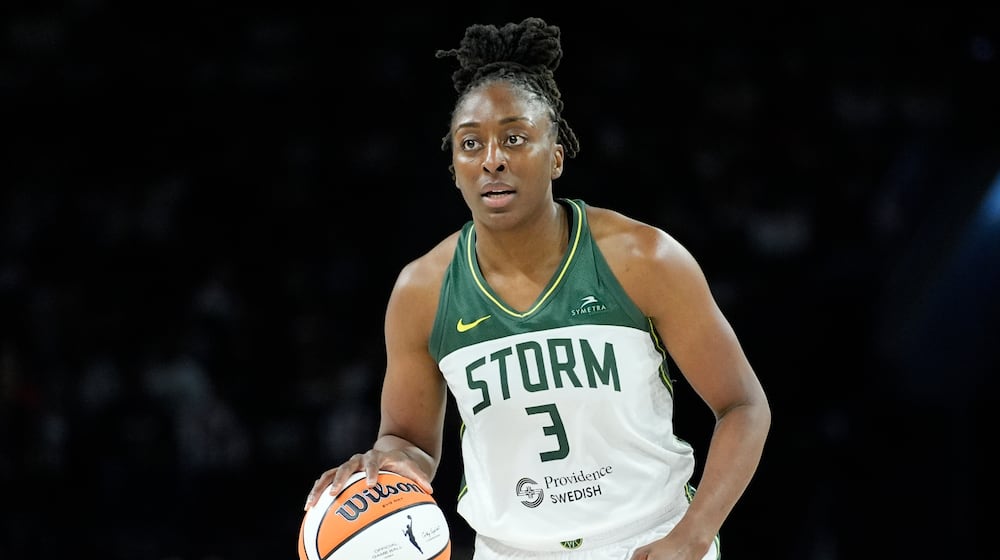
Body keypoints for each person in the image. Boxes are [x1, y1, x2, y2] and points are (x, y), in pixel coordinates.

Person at [304, 17, 771, 560]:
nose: (492, 159)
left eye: (515, 138)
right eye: (470, 144)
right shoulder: (422, 291)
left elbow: (743, 405)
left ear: (556, 154)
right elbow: (408, 442)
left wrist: (693, 536)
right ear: (454, 169)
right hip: (510, 550)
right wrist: (381, 467)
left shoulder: (643, 259)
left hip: (650, 542)